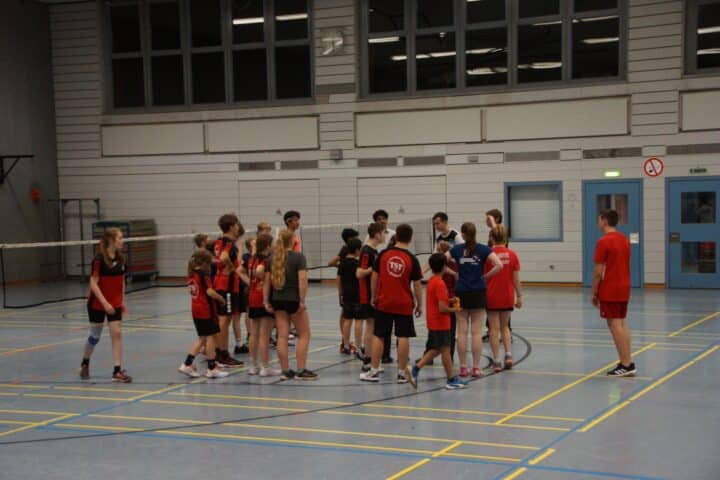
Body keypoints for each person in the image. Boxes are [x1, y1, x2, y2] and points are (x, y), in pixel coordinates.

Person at [360, 224, 423, 384]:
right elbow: (417, 284)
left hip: (384, 302)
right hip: (404, 303)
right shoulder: (412, 258)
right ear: (410, 238)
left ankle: (374, 371)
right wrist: (420, 304)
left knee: (379, 335)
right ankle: (402, 374)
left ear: (395, 237)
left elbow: (374, 276)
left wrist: (373, 296)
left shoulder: (383, 254)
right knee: (403, 336)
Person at [450, 222, 503, 378]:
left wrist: (454, 271)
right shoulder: (483, 249)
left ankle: (463, 368)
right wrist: (486, 276)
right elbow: (499, 265)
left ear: (463, 234)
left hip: (460, 292)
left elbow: (440, 259)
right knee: (476, 333)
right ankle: (476, 368)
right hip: (478, 292)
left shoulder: (457, 249)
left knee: (461, 332)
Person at [79, 228, 132, 383]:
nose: (123, 241)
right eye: (120, 238)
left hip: (115, 303)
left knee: (117, 333)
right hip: (97, 302)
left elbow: (121, 281)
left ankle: (117, 371)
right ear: (112, 240)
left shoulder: (122, 259)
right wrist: (104, 303)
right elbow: (93, 284)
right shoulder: (99, 259)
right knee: (95, 336)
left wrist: (122, 300)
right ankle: (85, 362)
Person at [264, 230, 317, 380]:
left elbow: (267, 282)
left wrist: (266, 301)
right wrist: (301, 301)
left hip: (277, 300)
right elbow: (302, 281)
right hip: (293, 300)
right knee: (304, 334)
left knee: (282, 336)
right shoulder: (298, 257)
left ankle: (285, 371)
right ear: (293, 240)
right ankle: (301, 370)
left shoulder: (272, 258)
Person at [411, 253, 467, 390]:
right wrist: (456, 309)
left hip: (434, 321)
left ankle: (416, 368)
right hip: (441, 322)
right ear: (443, 267)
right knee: (445, 350)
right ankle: (450, 379)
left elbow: (439, 302)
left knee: (437, 350)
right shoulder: (440, 284)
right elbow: (442, 308)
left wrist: (449, 300)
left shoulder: (432, 280)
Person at [592, 209, 635, 377]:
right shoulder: (624, 240)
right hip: (624, 286)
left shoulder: (604, 241)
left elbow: (598, 271)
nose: (598, 223)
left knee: (615, 325)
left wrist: (594, 291)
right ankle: (627, 361)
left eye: (598, 220)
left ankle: (626, 364)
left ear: (604, 220)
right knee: (622, 324)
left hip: (610, 288)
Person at [179, 250, 229, 379]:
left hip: (196, 310)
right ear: (204, 263)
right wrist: (220, 299)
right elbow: (210, 292)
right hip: (206, 310)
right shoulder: (203, 274)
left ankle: (191, 364)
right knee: (209, 337)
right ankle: (208, 368)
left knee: (203, 338)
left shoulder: (191, 274)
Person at [212, 214, 248, 368]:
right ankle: (222, 354)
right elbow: (225, 257)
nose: (238, 227)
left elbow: (217, 258)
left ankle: (219, 353)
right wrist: (232, 269)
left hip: (221, 284)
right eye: (236, 224)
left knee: (224, 320)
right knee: (224, 320)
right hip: (227, 286)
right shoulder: (228, 243)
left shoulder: (219, 241)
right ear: (232, 226)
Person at [485, 226, 522, 373]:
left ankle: (497, 361)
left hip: (491, 295)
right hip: (507, 295)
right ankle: (508, 356)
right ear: (506, 238)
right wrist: (519, 296)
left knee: (493, 329)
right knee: (505, 327)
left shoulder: (488, 254)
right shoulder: (512, 255)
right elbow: (515, 278)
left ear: (492, 238)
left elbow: (484, 275)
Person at [419, 240, 458, 365]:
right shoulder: (443, 268)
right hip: (445, 297)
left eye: (437, 249)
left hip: (446, 298)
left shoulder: (444, 268)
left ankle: (433, 358)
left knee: (443, 334)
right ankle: (433, 358)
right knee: (444, 334)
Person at [246, 234, 280, 377]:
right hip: (263, 298)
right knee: (265, 335)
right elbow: (261, 272)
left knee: (254, 333)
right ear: (267, 246)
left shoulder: (252, 259)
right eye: (272, 244)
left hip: (252, 297)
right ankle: (265, 366)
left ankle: (254, 365)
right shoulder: (266, 260)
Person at [356, 222, 385, 369]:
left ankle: (372, 358)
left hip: (375, 293)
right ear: (377, 234)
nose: (385, 235)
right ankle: (367, 359)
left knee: (373, 327)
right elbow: (359, 272)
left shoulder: (374, 251)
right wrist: (374, 270)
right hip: (367, 294)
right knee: (370, 326)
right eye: (383, 232)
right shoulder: (367, 251)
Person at [328, 228, 360, 352]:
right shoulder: (346, 249)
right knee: (350, 317)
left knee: (346, 316)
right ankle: (346, 342)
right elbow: (330, 263)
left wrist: (342, 266)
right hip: (352, 290)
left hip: (345, 290)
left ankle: (345, 343)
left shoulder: (347, 253)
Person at [337, 238, 364, 354]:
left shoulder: (342, 263)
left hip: (346, 295)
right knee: (358, 321)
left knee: (347, 320)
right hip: (358, 295)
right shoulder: (358, 264)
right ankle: (358, 347)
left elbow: (338, 280)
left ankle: (346, 345)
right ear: (357, 250)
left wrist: (340, 294)